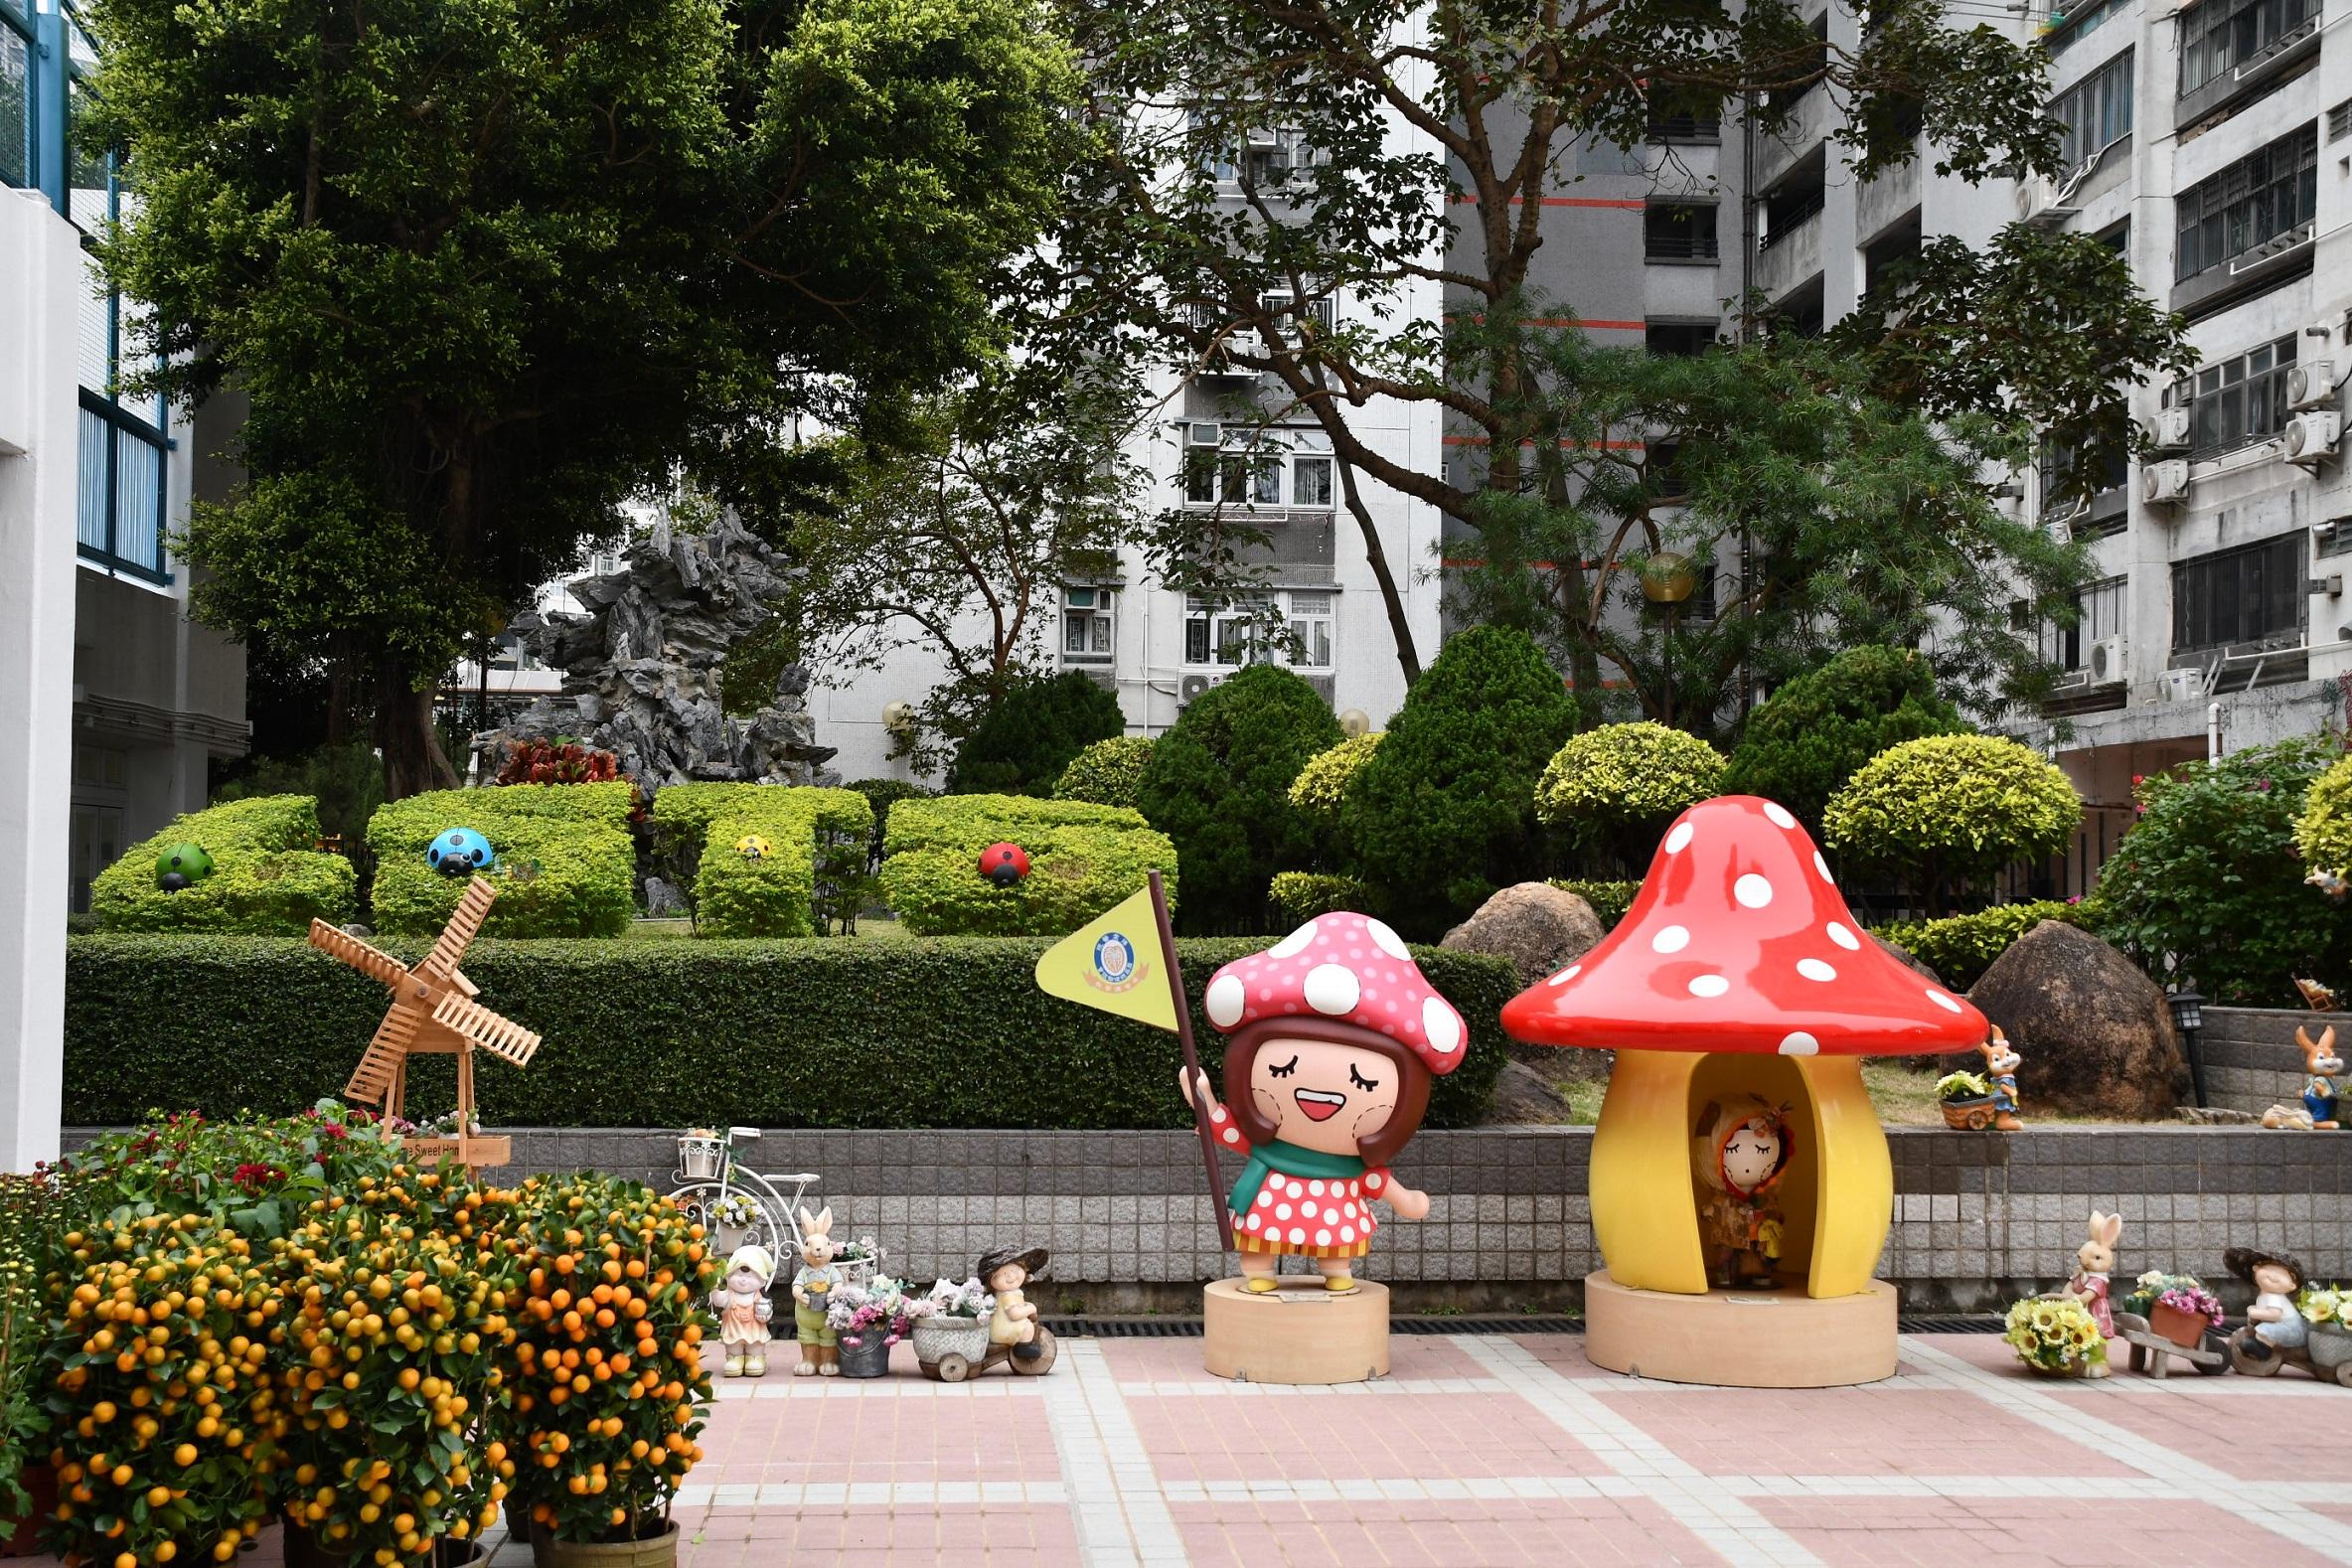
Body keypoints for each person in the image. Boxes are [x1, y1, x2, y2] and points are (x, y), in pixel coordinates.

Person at [1179, 913, 1467, 1293]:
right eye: (1282, 1068)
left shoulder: (1353, 1164)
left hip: (1335, 1215)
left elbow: (1376, 1181)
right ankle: (1260, 1270)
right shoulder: (1268, 1145)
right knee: (1260, 1246)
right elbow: (1229, 1131)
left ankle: (1335, 1269)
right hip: (1269, 1207)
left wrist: (1405, 1199)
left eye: (1363, 1081)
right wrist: (1205, 1100)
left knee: (1335, 1251)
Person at [978, 1245, 1050, 1362]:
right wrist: (1031, 1308)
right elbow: (1014, 1314)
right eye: (1004, 1274)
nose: (1011, 1276)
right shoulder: (1007, 1295)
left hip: (1000, 1327)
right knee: (1027, 1327)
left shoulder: (1009, 1293)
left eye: (1015, 1270)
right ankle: (1023, 1348)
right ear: (992, 1280)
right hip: (1003, 1329)